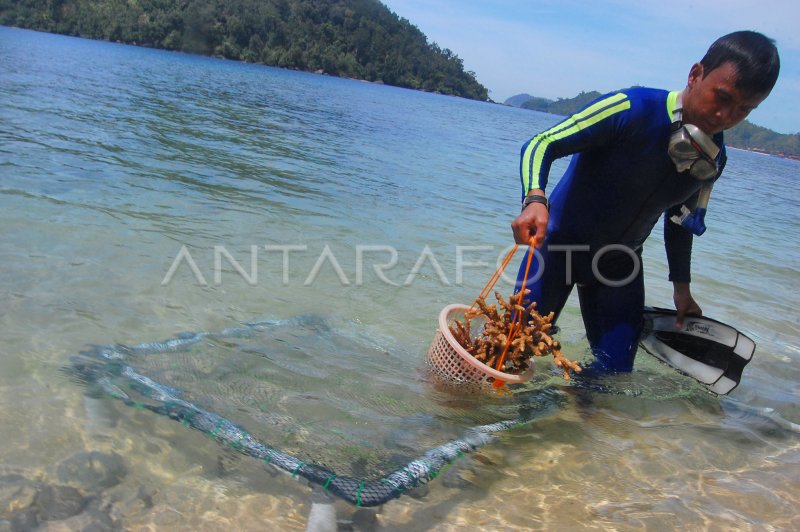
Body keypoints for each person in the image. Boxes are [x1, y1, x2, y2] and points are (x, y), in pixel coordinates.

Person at [510, 31, 780, 372]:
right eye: (722, 97)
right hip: (557, 250)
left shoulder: (712, 159)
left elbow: (680, 222)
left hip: (619, 267)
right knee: (509, 356)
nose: (726, 116)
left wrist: (682, 291)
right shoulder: (632, 108)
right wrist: (535, 198)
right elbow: (541, 143)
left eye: (744, 109)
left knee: (612, 376)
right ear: (695, 74)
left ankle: (572, 420)